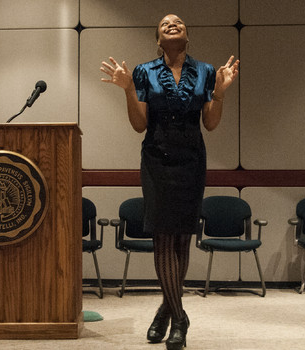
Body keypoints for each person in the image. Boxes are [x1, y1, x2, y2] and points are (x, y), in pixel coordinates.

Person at [100, 13, 239, 350]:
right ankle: (180, 319)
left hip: (192, 159)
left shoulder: (205, 71)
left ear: (186, 36)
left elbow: (211, 123)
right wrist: (128, 91)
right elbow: (138, 125)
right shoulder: (144, 72)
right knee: (164, 236)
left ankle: (166, 308)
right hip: (157, 160)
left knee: (181, 240)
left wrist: (219, 93)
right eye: (165, 24)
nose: (172, 23)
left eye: (178, 22)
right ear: (158, 39)